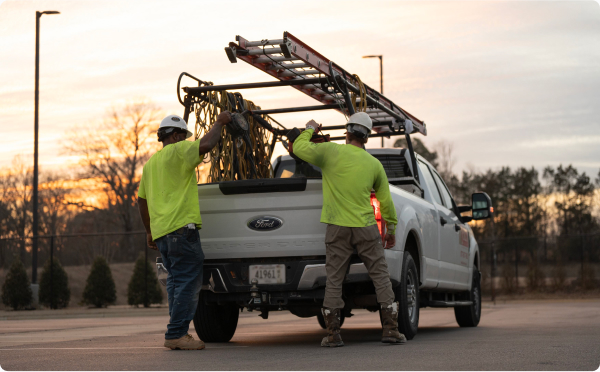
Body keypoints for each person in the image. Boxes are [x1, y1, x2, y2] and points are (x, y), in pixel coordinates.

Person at [292, 112, 406, 347]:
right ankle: (391, 330)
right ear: (366, 136)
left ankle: (333, 334)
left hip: (337, 228)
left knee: (334, 279)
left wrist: (310, 129)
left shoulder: (330, 152)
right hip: (366, 228)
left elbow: (298, 148)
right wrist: (391, 231)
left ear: (348, 132)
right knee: (381, 277)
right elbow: (386, 202)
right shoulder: (374, 164)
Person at [138, 112, 231, 350]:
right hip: (182, 231)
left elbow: (142, 201)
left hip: (163, 234)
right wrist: (220, 122)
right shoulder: (179, 151)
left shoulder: (150, 165)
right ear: (177, 135)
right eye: (183, 135)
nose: (185, 140)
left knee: (175, 283)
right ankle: (177, 333)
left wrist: (149, 231)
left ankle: (177, 333)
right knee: (189, 282)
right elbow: (207, 143)